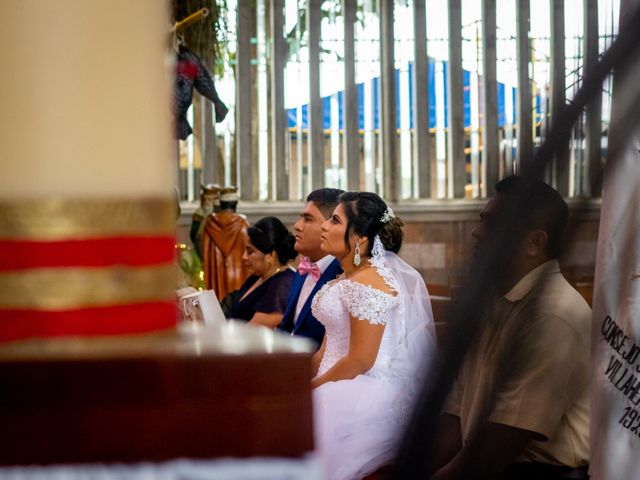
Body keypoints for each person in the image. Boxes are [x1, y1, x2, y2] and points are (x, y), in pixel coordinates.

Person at [430, 176, 591, 480]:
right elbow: (455, 417)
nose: (477, 233)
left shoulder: (553, 315)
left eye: (494, 225)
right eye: (482, 220)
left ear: (534, 243)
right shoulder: (494, 300)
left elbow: (495, 449)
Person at [311, 192, 437, 480]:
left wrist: (313, 388)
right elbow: (327, 347)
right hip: (335, 379)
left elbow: (360, 360)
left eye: (334, 221)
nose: (324, 227)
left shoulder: (367, 283)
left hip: (360, 389)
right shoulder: (346, 279)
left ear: (360, 239)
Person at [277, 188, 344, 347]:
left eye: (308, 219)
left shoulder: (343, 275)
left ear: (331, 225)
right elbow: (288, 328)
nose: (297, 226)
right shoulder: (303, 269)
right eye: (301, 217)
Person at [222, 216, 297, 327]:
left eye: (250, 252)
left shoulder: (282, 285)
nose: (244, 257)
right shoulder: (258, 276)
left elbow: (253, 332)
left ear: (271, 255)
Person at [201, 187, 250, 300]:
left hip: (216, 278)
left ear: (221, 203)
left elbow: (204, 254)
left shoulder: (209, 225)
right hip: (239, 278)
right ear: (235, 203)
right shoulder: (243, 225)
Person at [190, 183, 220, 257]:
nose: (208, 202)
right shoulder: (199, 214)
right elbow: (194, 236)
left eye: (212, 199)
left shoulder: (221, 214)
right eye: (207, 199)